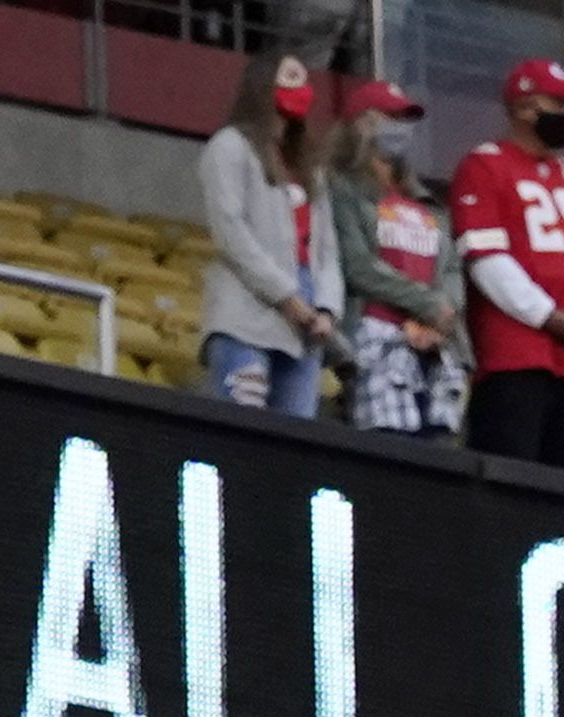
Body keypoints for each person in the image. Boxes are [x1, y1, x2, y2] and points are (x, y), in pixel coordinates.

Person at [452, 55, 564, 476]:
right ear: (525, 108)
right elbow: (486, 259)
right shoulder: (485, 165)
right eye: (559, 104)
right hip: (516, 357)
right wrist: (548, 316)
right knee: (510, 483)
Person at [195, 58, 334, 416]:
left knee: (293, 446)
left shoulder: (311, 168)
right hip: (246, 313)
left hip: (305, 329)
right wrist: (286, 296)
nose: (300, 91)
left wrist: (327, 308)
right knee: (244, 436)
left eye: (304, 83)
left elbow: (328, 252)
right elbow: (230, 232)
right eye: (289, 79)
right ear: (262, 86)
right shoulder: (229, 146)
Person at [326, 79, 461, 435]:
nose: (400, 128)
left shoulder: (425, 200)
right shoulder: (341, 187)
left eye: (404, 119)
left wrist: (439, 318)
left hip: (431, 345)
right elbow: (358, 265)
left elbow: (450, 268)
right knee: (389, 447)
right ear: (362, 123)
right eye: (389, 117)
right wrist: (428, 305)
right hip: (374, 336)